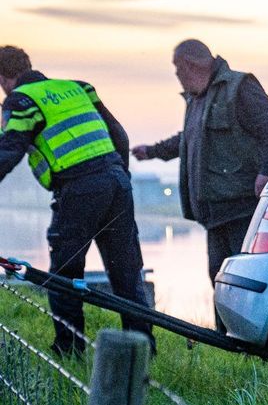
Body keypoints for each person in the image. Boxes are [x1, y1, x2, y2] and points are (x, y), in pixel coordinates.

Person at [0, 45, 153, 356]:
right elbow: (119, 136)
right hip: (117, 183)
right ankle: (142, 351)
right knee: (126, 272)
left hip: (80, 190)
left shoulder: (21, 101)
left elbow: (8, 153)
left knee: (64, 275)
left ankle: (69, 349)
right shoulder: (78, 88)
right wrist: (118, 175)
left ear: (5, 78)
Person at [131, 40, 268, 291]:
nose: (177, 76)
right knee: (219, 280)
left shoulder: (239, 88)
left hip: (242, 210)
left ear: (190, 65)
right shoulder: (198, 100)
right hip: (214, 215)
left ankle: (246, 331)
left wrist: (266, 173)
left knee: (243, 282)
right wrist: (151, 152)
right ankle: (220, 332)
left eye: (177, 69)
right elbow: (188, 139)